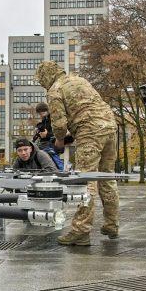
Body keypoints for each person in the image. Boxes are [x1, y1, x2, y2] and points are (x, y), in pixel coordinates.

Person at [36, 61, 119, 243]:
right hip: (110, 127)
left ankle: (81, 231)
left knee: (86, 180)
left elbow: (58, 123)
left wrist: (58, 140)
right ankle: (111, 223)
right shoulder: (79, 80)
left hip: (89, 131)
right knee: (107, 177)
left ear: (46, 77)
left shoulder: (55, 89)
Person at [33, 102, 63, 171]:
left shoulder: (53, 118)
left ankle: (61, 170)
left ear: (46, 110)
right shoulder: (44, 120)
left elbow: (59, 132)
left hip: (51, 144)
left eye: (42, 113)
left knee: (54, 159)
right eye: (39, 114)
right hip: (45, 143)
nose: (41, 115)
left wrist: (47, 135)